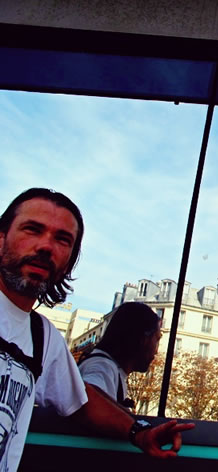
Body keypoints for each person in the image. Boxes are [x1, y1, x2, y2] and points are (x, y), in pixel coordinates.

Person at [0, 188, 194, 472]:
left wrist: (138, 432)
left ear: (69, 260)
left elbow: (81, 400)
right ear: (1, 237)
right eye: (32, 229)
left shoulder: (43, 337)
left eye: (62, 239)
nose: (45, 246)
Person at [79, 302, 162, 409]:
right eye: (156, 339)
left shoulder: (108, 368)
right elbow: (87, 399)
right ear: (143, 339)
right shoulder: (101, 368)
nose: (156, 351)